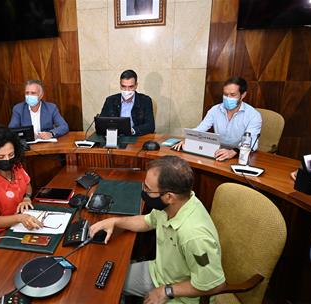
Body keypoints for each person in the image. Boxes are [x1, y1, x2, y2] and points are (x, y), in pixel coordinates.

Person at [90, 156, 226, 303]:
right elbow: (147, 221)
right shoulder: (173, 205)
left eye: (148, 189)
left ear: (169, 196)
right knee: (109, 284)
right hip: (159, 272)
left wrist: (167, 291)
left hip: (183, 296)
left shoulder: (195, 237)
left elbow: (216, 285)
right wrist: (115, 221)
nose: (144, 192)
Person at [0, 126, 43, 239]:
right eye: (1, 156)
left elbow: (27, 184)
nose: (7, 160)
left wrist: (27, 197)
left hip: (20, 221)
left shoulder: (16, 166)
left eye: (11, 155)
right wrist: (20, 218)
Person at [172, 77, 262, 161]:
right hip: (217, 152)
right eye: (225, 94)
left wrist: (233, 152)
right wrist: (187, 139)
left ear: (243, 95)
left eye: (232, 95)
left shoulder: (253, 115)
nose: (228, 98)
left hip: (241, 156)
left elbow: (252, 141)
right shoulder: (215, 110)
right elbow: (201, 129)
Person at [100, 69, 155, 136]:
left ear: (136, 86)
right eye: (123, 86)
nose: (127, 90)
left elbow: (150, 126)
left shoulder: (145, 101)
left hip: (136, 137)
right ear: (120, 85)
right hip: (115, 137)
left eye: (130, 87)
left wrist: (132, 130)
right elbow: (101, 123)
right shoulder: (110, 100)